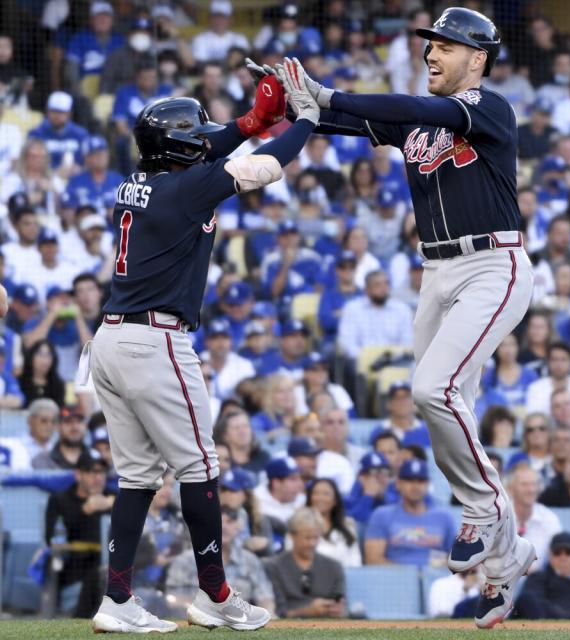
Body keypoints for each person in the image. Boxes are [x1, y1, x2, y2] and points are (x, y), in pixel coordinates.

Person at [247, 9, 537, 626]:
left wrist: (330, 94)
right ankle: (506, 560)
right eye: (430, 43)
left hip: (492, 264)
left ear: (477, 58)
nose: (432, 52)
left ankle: (486, 511)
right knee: (444, 412)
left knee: (433, 390)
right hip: (437, 274)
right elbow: (356, 119)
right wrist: (301, 103)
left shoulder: (488, 105)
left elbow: (411, 110)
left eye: (446, 45)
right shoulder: (418, 115)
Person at [87, 65, 314, 631]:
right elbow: (264, 166)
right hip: (155, 341)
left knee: (138, 475)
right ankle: (215, 593)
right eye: (199, 134)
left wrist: (249, 120)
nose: (206, 138)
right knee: (201, 466)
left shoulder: (143, 179)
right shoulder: (188, 186)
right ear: (182, 148)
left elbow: (200, 145)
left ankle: (117, 600)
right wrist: (305, 119)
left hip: (112, 340)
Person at [165, 509, 275, 616]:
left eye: (230, 522)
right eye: (218, 521)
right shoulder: (186, 560)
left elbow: (265, 597)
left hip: (239, 620)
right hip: (196, 618)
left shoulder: (250, 560)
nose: (224, 527)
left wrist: (266, 615)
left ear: (238, 527)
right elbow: (172, 598)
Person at [44, 451, 115, 618]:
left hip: (108, 562)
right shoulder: (59, 500)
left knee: (103, 570)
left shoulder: (112, 498)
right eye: (91, 472)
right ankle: (80, 619)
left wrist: (112, 505)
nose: (98, 477)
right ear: (78, 474)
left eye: (101, 472)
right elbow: (51, 539)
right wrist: (85, 511)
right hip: (72, 565)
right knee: (96, 573)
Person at [363, 459, 457, 566]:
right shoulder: (382, 515)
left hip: (436, 579)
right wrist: (410, 577)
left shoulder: (444, 517)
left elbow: (457, 560)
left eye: (420, 481)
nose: (415, 486)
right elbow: (373, 560)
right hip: (392, 580)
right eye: (409, 480)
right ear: (398, 484)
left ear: (427, 484)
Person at [264, 507, 347, 619]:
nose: (312, 543)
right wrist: (307, 611)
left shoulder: (334, 567)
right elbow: (275, 611)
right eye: (307, 538)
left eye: (316, 537)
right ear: (292, 536)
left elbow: (341, 601)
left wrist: (337, 608)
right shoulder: (273, 566)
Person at [336, 270, 413, 360]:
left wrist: (392, 358)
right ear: (366, 290)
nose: (383, 288)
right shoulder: (352, 309)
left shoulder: (402, 310)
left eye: (386, 284)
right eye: (377, 285)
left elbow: (407, 342)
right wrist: (367, 358)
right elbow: (347, 343)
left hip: (395, 362)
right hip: (360, 361)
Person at [525, 342, 570, 422]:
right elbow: (534, 420)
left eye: (563, 360)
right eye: (554, 359)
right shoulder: (536, 388)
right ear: (548, 363)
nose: (559, 364)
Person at [509, 466, 561, 569]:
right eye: (524, 484)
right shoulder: (497, 517)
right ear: (511, 489)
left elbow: (558, 556)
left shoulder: (549, 519)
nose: (531, 490)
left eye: (534, 484)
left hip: (536, 581)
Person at [305, 478, 361, 567]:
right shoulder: (298, 526)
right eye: (316, 493)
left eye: (326, 494)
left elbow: (355, 560)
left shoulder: (348, 526)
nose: (320, 498)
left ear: (335, 500)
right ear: (310, 498)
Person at [32, 404, 88, 470]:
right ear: (57, 426)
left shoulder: (97, 457)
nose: (75, 427)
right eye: (68, 422)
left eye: (79, 422)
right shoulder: (42, 460)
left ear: (85, 426)